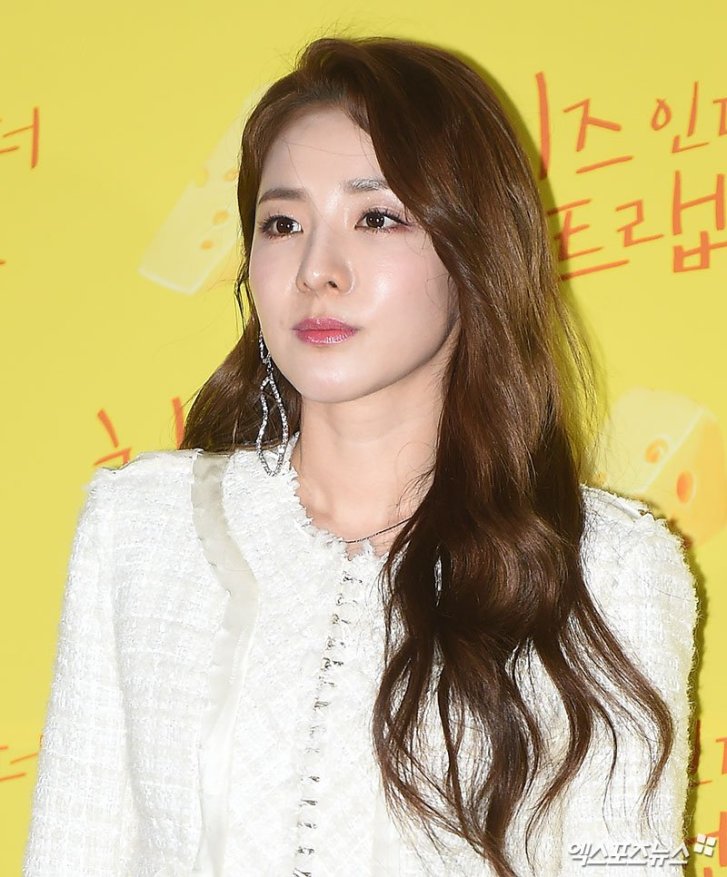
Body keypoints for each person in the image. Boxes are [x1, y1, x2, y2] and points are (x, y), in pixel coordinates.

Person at [23, 35, 699, 877]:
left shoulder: (608, 569)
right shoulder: (140, 528)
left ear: (474, 251)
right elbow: (73, 849)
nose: (316, 270)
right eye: (282, 223)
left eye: (376, 218)